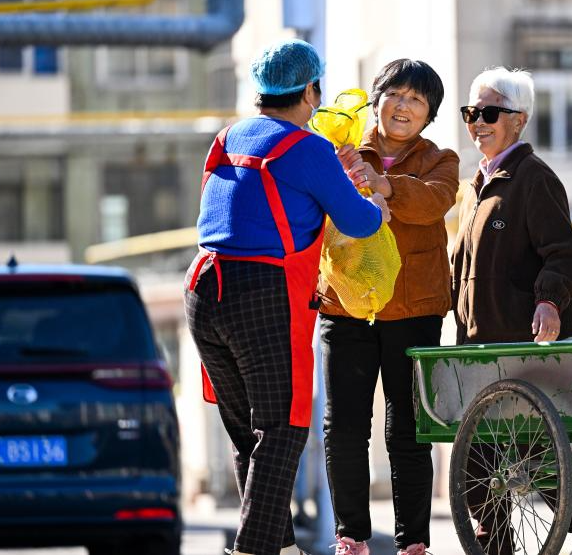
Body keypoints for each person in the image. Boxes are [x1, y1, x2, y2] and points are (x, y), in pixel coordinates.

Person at [185, 39, 390, 555]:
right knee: (283, 430)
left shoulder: (227, 138)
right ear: (309, 90)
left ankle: (281, 548)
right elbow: (358, 220)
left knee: (248, 436)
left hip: (204, 287)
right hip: (261, 291)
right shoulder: (307, 147)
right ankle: (253, 552)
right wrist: (376, 204)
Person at [451, 67, 572, 555]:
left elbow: (564, 256)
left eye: (488, 113)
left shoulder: (534, 179)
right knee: (477, 460)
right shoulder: (474, 188)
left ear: (518, 119)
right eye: (471, 113)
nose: (477, 123)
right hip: (479, 350)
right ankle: (496, 544)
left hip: (526, 350)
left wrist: (549, 302)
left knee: (538, 456)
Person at [318, 59, 460, 555]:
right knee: (346, 427)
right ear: (376, 100)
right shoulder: (341, 151)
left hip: (415, 310)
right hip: (346, 307)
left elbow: (436, 200)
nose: (403, 107)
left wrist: (384, 185)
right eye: (395, 94)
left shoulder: (442, 160)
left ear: (429, 115)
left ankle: (414, 543)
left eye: (416, 100)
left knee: (407, 430)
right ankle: (351, 537)